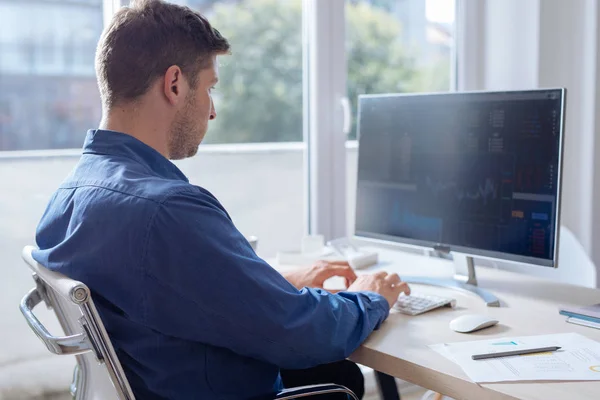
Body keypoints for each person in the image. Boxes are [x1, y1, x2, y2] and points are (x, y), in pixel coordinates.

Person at [33, 1, 410, 399]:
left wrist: (271, 285)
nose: (212, 111)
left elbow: (159, 293)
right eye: (209, 88)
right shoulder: (167, 210)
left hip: (165, 379)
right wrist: (369, 296)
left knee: (338, 373)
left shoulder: (69, 197)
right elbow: (305, 335)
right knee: (337, 370)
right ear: (174, 84)